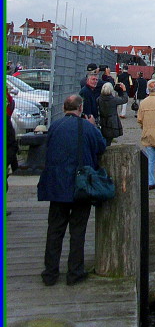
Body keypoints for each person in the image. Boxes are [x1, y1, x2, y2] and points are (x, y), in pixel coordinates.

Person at [37, 94, 106, 286]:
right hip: (79, 185)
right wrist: (93, 125)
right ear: (80, 108)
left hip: (57, 185)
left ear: (64, 108)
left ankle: (50, 272)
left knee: (55, 230)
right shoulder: (86, 127)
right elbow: (101, 147)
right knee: (77, 230)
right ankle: (75, 272)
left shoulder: (55, 127)